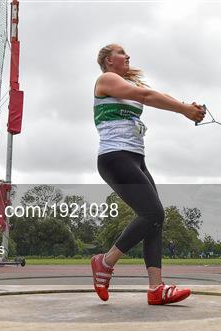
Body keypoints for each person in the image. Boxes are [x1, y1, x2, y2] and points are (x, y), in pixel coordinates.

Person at [90, 43, 205, 305]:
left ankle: (156, 289)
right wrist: (183, 111)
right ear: (109, 60)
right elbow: (148, 97)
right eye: (121, 53)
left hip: (136, 159)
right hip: (114, 157)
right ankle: (105, 262)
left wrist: (187, 105)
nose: (128, 55)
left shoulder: (129, 86)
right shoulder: (106, 79)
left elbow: (153, 93)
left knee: (155, 220)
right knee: (153, 213)